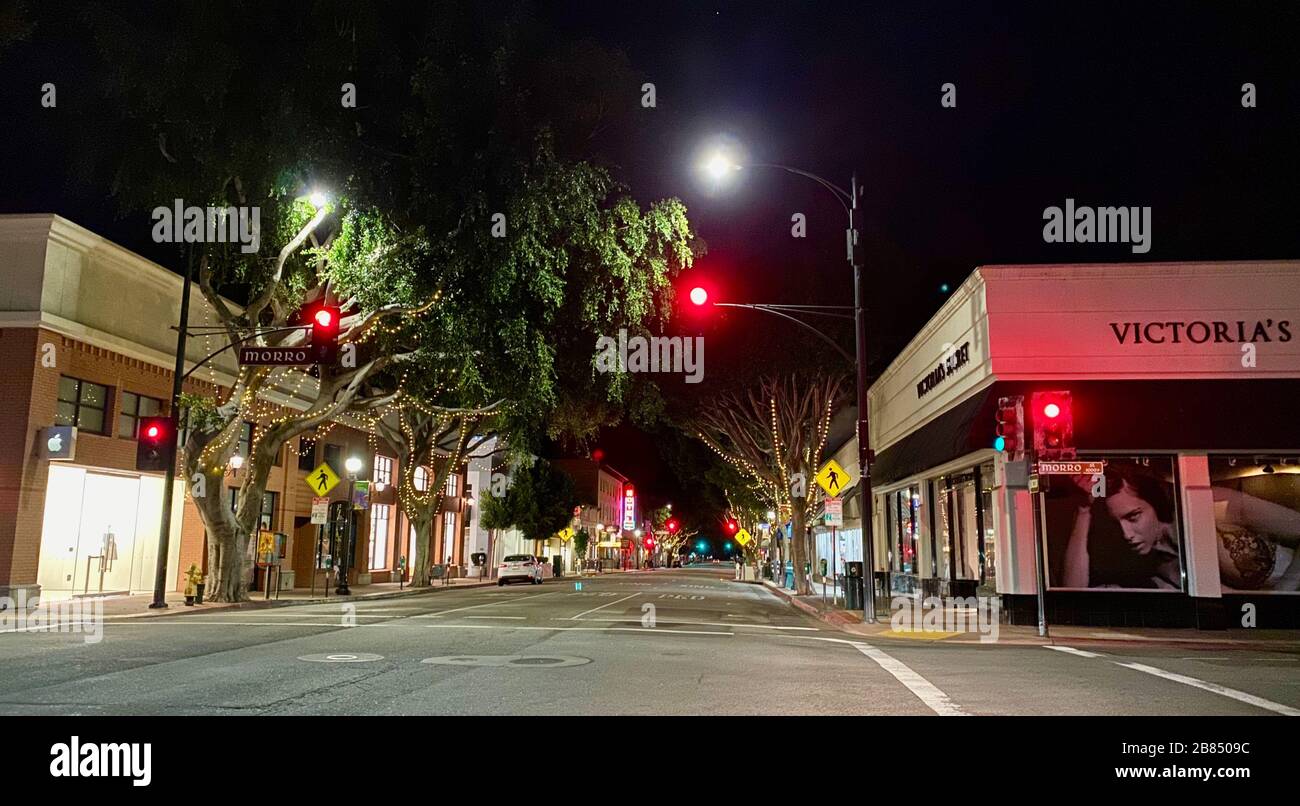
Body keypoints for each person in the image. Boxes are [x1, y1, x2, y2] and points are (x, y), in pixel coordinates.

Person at [1060, 464, 1180, 589]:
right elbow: (1073, 591)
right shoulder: (1138, 550)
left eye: (1133, 517)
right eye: (1116, 523)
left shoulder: (1184, 532)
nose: (1126, 534)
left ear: (1155, 503)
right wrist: (1084, 509)